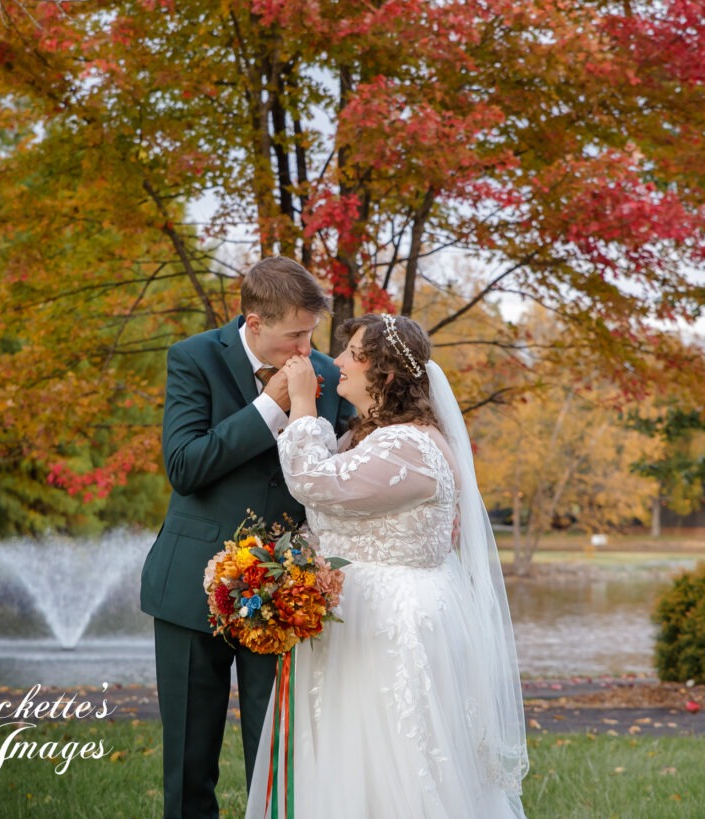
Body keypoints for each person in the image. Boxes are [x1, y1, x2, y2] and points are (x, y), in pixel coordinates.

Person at [246, 313, 529, 819]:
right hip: (360, 616)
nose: (337, 362)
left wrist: (304, 403)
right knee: (349, 758)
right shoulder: (372, 438)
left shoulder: (407, 446)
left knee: (393, 762)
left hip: (391, 624)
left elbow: (312, 482)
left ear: (387, 374)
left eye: (353, 354)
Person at [140, 257, 354, 819]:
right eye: (295, 336)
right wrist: (269, 406)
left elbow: (354, 460)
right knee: (188, 761)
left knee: (277, 755)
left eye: (312, 334)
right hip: (192, 586)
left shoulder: (325, 372)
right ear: (255, 323)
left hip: (287, 591)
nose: (306, 349)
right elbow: (185, 466)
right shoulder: (194, 358)